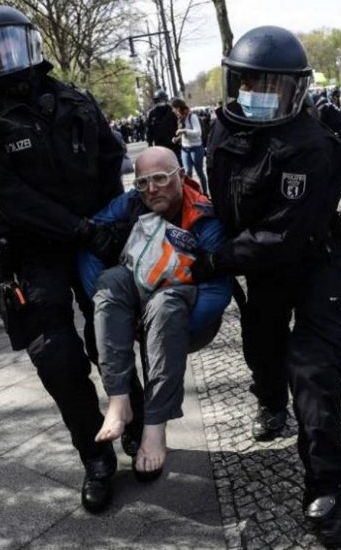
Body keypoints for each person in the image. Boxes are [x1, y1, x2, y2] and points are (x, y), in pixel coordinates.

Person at [0, 6, 129, 514]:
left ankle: (136, 423)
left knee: (113, 337)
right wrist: (79, 228)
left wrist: (110, 226)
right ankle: (95, 458)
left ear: (27, 44)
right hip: (31, 252)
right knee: (56, 357)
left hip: (94, 238)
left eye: (5, 44)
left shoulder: (76, 100)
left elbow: (107, 160)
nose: (0, 57)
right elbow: (9, 196)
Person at [199, 26, 341, 547]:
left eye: (273, 86)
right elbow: (217, 198)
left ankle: (325, 487)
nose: (260, 95)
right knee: (261, 348)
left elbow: (285, 233)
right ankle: (268, 400)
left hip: (312, 262)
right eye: (250, 83)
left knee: (315, 372)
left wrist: (217, 260)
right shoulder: (220, 131)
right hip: (260, 270)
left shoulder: (313, 145)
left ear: (296, 90)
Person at [79, 146, 231, 481]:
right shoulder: (130, 204)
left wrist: (159, 326)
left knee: (163, 310)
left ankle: (154, 425)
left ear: (180, 175)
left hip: (187, 311)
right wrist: (103, 302)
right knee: (109, 281)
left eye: (161, 179)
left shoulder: (203, 216)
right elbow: (89, 241)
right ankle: (120, 401)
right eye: (143, 181)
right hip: (138, 291)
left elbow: (220, 290)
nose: (152, 189)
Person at [171, 98, 209, 194]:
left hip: (196, 148)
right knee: (187, 173)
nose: (173, 111)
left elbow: (197, 133)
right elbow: (184, 135)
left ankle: (205, 193)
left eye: (174, 109)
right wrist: (177, 139)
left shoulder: (192, 116)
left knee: (199, 172)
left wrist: (184, 131)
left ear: (178, 108)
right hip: (185, 149)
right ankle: (191, 194)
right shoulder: (180, 118)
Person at [146, 89, 179, 159]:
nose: (161, 102)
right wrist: (150, 142)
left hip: (173, 142)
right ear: (156, 101)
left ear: (166, 100)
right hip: (160, 143)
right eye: (159, 101)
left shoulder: (172, 110)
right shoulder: (152, 113)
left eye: (162, 100)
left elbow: (178, 124)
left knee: (177, 162)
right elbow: (149, 129)